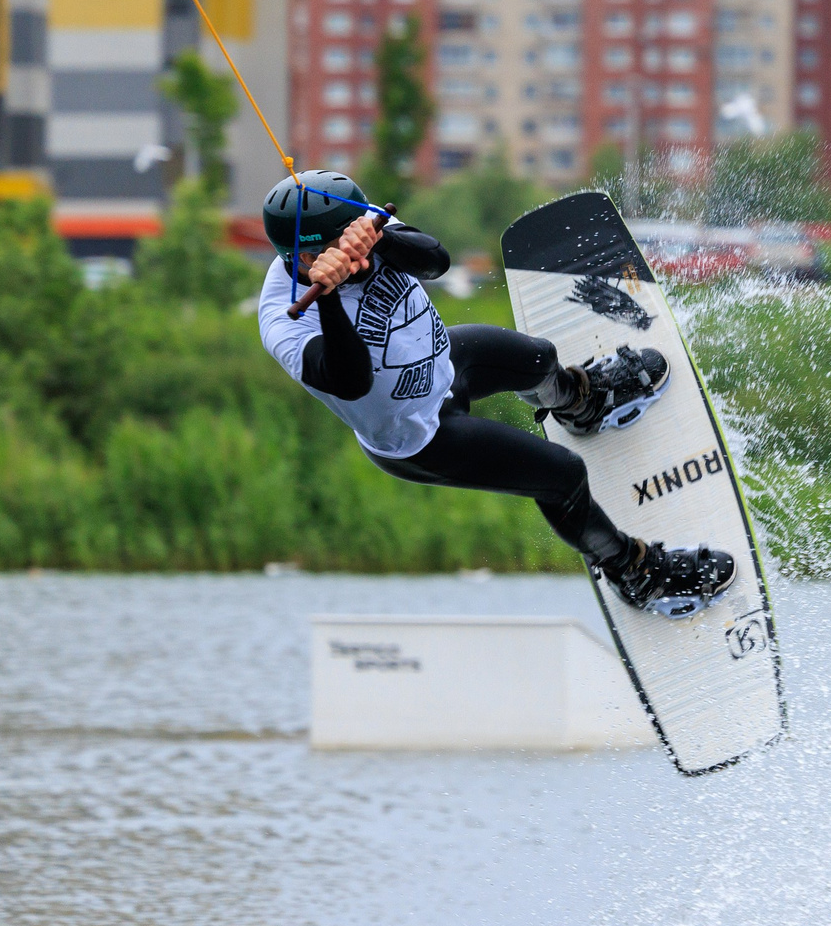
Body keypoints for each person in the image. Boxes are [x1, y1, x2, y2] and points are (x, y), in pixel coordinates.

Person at [255, 170, 736, 618]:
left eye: (359, 231)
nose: (359, 249)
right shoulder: (284, 319)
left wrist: (380, 235)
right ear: (304, 257)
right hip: (419, 436)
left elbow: (435, 262)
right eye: (346, 246)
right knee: (562, 475)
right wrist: (334, 292)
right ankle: (634, 571)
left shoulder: (354, 218)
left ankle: (581, 404)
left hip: (444, 363)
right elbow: (351, 379)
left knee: (540, 359)